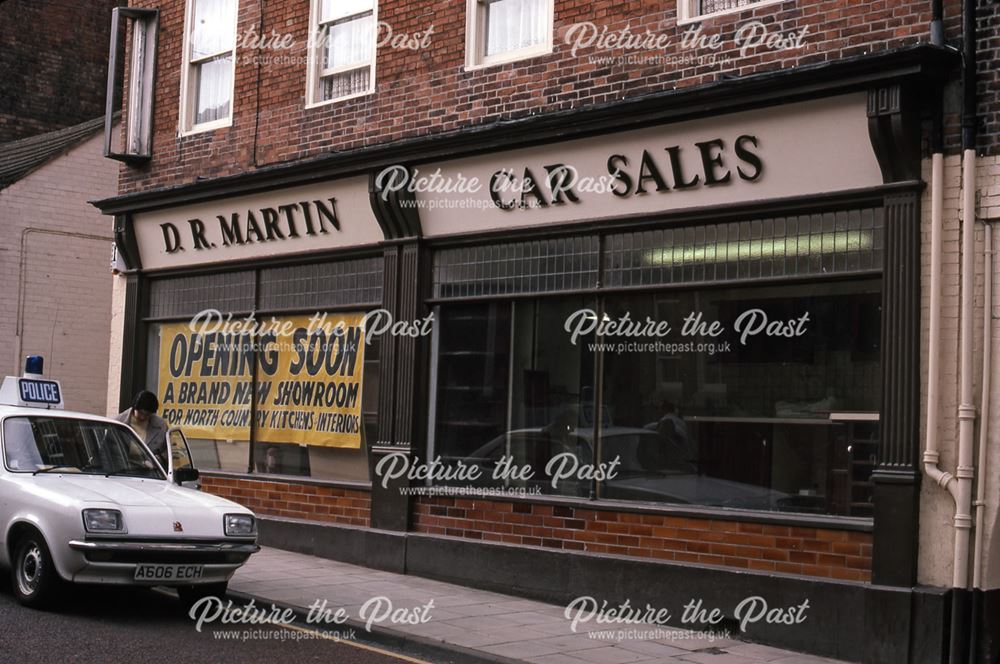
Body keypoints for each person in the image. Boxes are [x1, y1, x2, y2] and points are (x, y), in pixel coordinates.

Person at [116, 390, 169, 468]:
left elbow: (168, 451)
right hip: (121, 470)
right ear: (134, 408)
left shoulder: (161, 426)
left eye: (147, 414)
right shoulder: (118, 422)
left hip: (151, 471)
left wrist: (157, 460)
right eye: (140, 413)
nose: (143, 417)